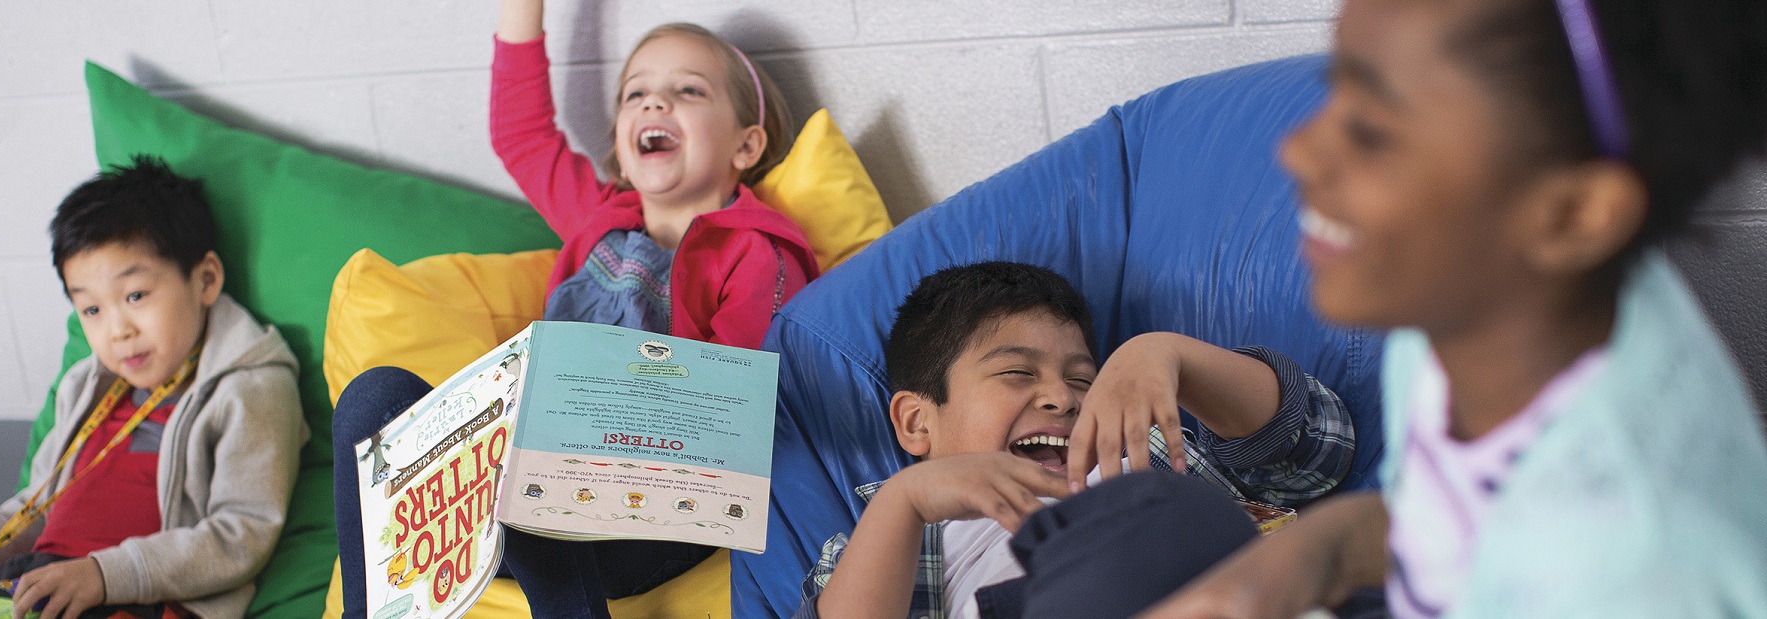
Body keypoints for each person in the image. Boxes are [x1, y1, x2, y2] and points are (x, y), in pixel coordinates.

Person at [1135, 0, 1767, 617]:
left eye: (1371, 131)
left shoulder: (1632, 573)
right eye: (1332, 92)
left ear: (1574, 214)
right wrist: (1311, 555)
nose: (1296, 150)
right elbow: (1451, 529)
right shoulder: (1479, 312)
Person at [328, 1, 816, 616]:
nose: (654, 103)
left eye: (688, 90)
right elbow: (521, 134)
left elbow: (741, 403)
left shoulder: (756, 251)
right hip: (526, 492)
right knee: (371, 400)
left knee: (530, 466)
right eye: (635, 94)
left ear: (747, 145)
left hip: (654, 514)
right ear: (621, 145)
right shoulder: (598, 217)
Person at [0, 156, 307, 619]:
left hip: (144, 601)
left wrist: (102, 575)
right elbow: (37, 509)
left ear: (206, 280)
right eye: (92, 310)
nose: (118, 331)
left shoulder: (251, 388)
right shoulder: (85, 387)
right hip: (33, 585)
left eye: (136, 296)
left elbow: (240, 535)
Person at [799, 262, 1355, 619]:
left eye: (1083, 380)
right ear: (917, 423)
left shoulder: (1142, 458)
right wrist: (906, 500)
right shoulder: (890, 540)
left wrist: (1169, 355)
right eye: (1017, 373)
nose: (1062, 398)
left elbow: (1313, 455)